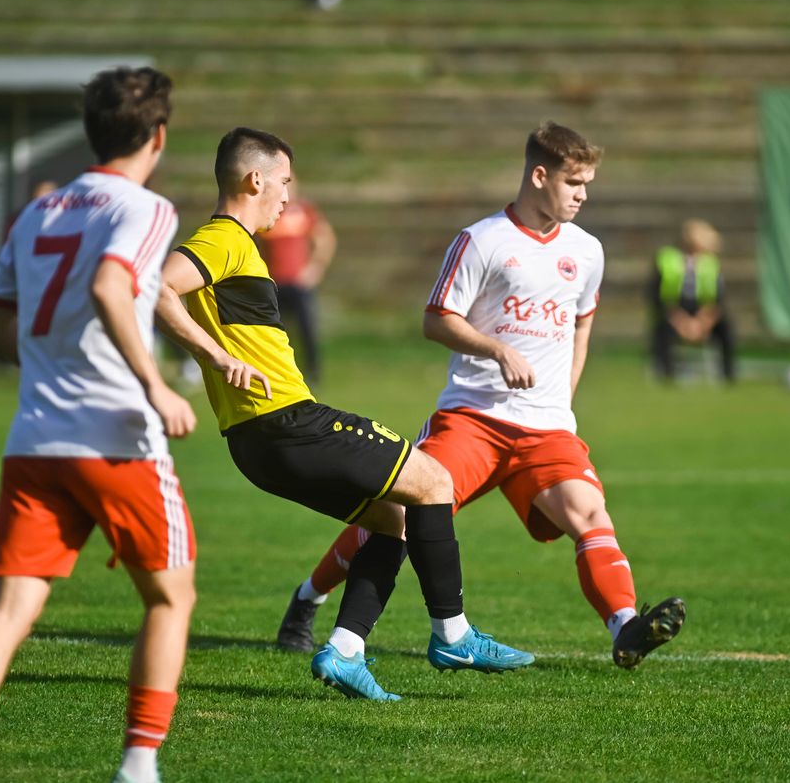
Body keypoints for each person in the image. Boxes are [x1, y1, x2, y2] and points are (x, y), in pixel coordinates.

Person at [276, 121, 686, 671]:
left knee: (590, 515)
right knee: (394, 516)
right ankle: (309, 598)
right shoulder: (482, 240)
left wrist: (564, 398)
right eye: (574, 182)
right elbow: (436, 320)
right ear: (540, 175)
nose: (584, 194)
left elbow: (581, 324)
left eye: (588, 182)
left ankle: (626, 628)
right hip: (474, 418)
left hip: (545, 428)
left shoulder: (587, 251)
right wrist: (496, 350)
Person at [153, 126, 533, 702]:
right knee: (433, 480)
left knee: (392, 520)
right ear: (255, 179)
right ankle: (453, 633)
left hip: (252, 443)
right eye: (283, 181)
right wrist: (214, 353)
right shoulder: (225, 238)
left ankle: (346, 651)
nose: (287, 195)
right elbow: (156, 287)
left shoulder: (235, 244)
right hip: (284, 419)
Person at [0, 66, 199, 783]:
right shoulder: (146, 209)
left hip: (36, 441)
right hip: (117, 440)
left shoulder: (38, 212)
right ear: (159, 136)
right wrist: (155, 384)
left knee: (12, 605)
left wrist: (52, 363)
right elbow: (112, 284)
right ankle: (139, 765)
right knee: (171, 598)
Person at [256, 176, 336, 384]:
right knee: (275, 333)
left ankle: (312, 374)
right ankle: (280, 375)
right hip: (273, 283)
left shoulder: (304, 211)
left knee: (307, 330)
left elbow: (325, 239)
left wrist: (315, 268)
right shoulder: (266, 213)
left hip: (299, 284)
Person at [648, 218, 736, 383]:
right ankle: (668, 374)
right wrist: (681, 322)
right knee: (662, 329)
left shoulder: (711, 264)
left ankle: (728, 375)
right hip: (675, 311)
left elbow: (718, 299)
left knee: (725, 327)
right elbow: (656, 296)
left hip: (701, 311)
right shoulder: (667, 259)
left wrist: (703, 322)